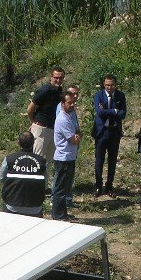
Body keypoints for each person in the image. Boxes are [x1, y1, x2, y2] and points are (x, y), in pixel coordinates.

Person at [92, 75, 127, 197]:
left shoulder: (120, 96)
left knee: (112, 160)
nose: (109, 87)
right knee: (99, 160)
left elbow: (123, 113)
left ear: (115, 84)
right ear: (104, 84)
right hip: (101, 132)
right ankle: (98, 186)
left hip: (114, 132)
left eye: (111, 85)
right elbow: (99, 111)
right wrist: (114, 111)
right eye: (107, 85)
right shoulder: (98, 95)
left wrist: (112, 112)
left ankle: (109, 185)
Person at [0, 132, 47, 217]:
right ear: (33, 143)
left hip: (11, 206)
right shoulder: (42, 161)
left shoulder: (9, 159)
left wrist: (13, 184)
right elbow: (45, 182)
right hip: (35, 209)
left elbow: (1, 177)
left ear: (18, 143)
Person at [51, 92, 81, 221]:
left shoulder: (69, 116)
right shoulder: (63, 119)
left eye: (73, 102)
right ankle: (58, 215)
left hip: (69, 157)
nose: (72, 105)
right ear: (62, 104)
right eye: (69, 103)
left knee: (65, 188)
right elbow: (74, 139)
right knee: (60, 189)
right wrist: (77, 136)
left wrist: (77, 135)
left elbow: (77, 133)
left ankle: (63, 213)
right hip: (63, 158)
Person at [26, 66, 64, 166]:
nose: (58, 80)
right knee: (37, 161)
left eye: (60, 78)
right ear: (51, 77)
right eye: (56, 77)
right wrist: (33, 122)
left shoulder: (59, 91)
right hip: (41, 129)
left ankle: (44, 182)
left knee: (48, 162)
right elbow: (30, 109)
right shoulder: (44, 91)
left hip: (52, 129)